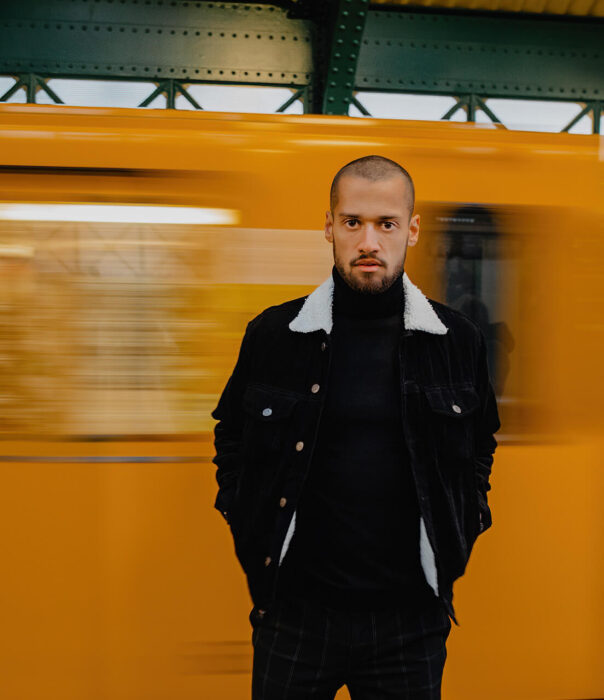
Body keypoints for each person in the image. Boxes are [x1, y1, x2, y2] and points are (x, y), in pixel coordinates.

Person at [211, 155, 500, 699]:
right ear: (329, 227)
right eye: (353, 223)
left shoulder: (457, 342)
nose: (370, 240)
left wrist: (468, 517)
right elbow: (231, 432)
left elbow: (482, 442)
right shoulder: (275, 335)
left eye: (386, 224)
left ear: (411, 230)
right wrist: (239, 509)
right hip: (294, 615)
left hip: (410, 623)